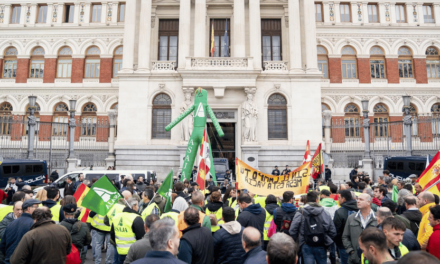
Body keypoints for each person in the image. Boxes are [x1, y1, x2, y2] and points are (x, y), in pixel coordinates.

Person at [289, 191, 336, 264]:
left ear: (307, 200)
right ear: (317, 200)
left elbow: (292, 230)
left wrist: (297, 242)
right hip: (321, 244)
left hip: (306, 244)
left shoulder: (301, 212)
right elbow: (332, 231)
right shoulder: (324, 212)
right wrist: (326, 240)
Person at [0, 199, 39, 264]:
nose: (20, 212)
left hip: (10, 260)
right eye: (17, 209)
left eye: (21, 209)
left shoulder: (10, 224)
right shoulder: (33, 223)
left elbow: (3, 245)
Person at [342, 193, 378, 264]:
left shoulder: (377, 218)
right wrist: (351, 251)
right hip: (355, 259)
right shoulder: (351, 218)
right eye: (357, 199)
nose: (357, 201)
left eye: (361, 199)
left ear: (369, 202)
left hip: (373, 258)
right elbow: (345, 236)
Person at [111, 197, 145, 264]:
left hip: (120, 251)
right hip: (133, 252)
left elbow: (112, 235)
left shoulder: (116, 217)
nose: (138, 207)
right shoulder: (137, 218)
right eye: (137, 205)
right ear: (133, 206)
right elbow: (141, 237)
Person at [334, 190, 358, 264]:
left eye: (339, 197)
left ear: (343, 199)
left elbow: (336, 230)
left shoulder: (339, 212)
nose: (338, 199)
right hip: (358, 244)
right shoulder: (359, 209)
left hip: (343, 245)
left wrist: (339, 244)